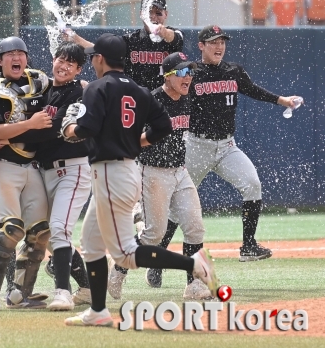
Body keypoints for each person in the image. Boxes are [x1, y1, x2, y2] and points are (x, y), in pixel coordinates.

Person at [60, 33, 218, 327]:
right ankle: (98, 311)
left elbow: (86, 128)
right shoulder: (139, 90)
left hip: (110, 171)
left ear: (100, 59)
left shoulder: (97, 87)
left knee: (125, 253)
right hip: (127, 169)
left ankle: (194, 264)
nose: (92, 59)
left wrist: (69, 128)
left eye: (94, 56)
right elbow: (163, 126)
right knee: (92, 244)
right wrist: (134, 142)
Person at [155, 26, 301, 268]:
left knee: (253, 184)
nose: (219, 46)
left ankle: (248, 246)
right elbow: (171, 93)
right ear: (201, 45)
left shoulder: (233, 71)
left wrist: (282, 100)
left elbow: (252, 89)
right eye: (212, 42)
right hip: (196, 146)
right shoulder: (192, 73)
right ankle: (158, 259)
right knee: (177, 206)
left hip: (226, 146)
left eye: (222, 41)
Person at [106, 52, 211, 301]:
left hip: (179, 172)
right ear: (168, 76)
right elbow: (132, 140)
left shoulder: (187, 98)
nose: (190, 77)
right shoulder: (150, 101)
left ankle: (196, 286)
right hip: (153, 172)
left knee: (196, 227)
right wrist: (153, 136)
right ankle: (118, 270)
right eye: (184, 72)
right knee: (154, 234)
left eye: (191, 72)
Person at [6, 43, 93, 311]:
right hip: (46, 171)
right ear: (53, 59)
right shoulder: (44, 89)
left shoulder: (79, 91)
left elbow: (50, 129)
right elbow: (14, 92)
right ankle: (88, 288)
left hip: (73, 168)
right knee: (52, 232)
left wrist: (7, 134)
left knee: (58, 229)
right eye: (61, 59)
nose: (64, 66)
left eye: (72, 63)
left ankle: (63, 292)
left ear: (79, 69)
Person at [0, 36, 53, 311]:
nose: (16, 57)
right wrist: (31, 124)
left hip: (31, 165)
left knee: (41, 231)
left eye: (21, 52)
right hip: (3, 166)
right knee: (10, 229)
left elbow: (61, 94)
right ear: (0, 61)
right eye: (10, 54)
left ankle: (20, 294)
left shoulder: (41, 83)